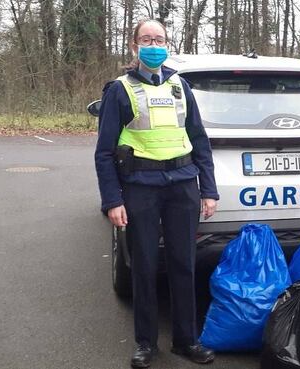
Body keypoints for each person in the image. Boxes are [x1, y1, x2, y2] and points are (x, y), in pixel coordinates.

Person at [94, 19, 219, 368]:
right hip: (141, 189)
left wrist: (208, 190)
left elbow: (199, 141)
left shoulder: (181, 86)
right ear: (134, 46)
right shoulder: (120, 90)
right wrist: (113, 200)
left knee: (183, 264)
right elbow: (104, 153)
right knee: (145, 266)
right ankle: (146, 343)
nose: (154, 44)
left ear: (168, 44)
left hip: (182, 186)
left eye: (160, 39)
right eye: (147, 39)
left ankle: (186, 340)